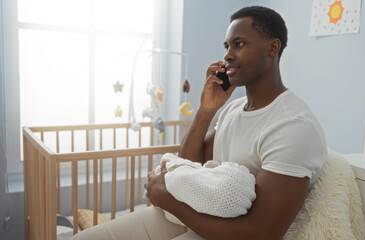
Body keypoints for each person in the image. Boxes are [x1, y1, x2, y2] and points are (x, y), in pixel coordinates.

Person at [73, 6, 327, 240]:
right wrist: (205, 112)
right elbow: (189, 164)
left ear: (272, 48)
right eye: (227, 46)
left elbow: (260, 233)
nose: (227, 55)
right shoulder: (235, 109)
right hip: (198, 215)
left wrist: (169, 201)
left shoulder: (293, 127)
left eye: (239, 44)